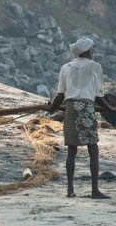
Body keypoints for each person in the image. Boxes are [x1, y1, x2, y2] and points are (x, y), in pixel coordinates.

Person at [47, 37, 112, 199]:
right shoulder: (96, 67)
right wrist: (111, 110)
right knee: (93, 150)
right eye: (92, 50)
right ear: (88, 52)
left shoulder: (65, 67)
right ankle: (94, 190)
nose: (93, 52)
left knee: (71, 151)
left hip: (70, 110)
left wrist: (50, 109)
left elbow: (60, 96)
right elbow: (99, 96)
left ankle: (70, 190)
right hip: (87, 109)